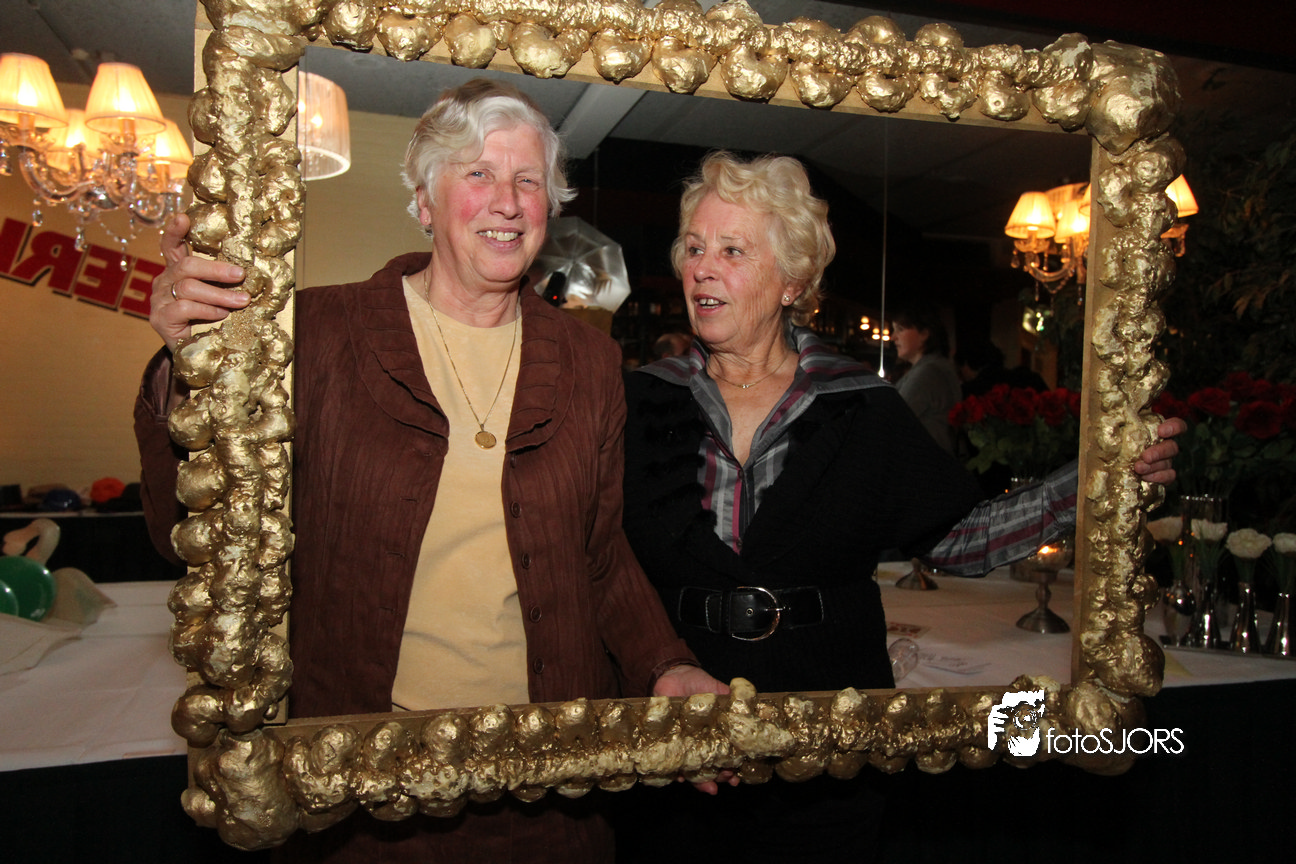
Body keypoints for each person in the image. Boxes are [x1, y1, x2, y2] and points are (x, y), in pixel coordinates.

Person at [135, 79, 725, 864]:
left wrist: (666, 663)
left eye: (528, 181)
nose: (507, 201)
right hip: (359, 785)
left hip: (545, 772)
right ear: (423, 200)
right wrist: (187, 367)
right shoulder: (314, 334)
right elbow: (193, 534)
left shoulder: (589, 360)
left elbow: (601, 552)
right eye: (478, 173)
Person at [616, 151, 1183, 862]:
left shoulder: (858, 404)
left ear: (793, 280)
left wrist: (1092, 480)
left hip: (829, 735)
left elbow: (959, 538)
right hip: (678, 731)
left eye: (732, 250)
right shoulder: (640, 400)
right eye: (694, 248)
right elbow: (599, 560)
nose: (702, 268)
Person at [891, 303, 964, 453]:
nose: (893, 337)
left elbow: (893, 417)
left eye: (900, 329)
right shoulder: (931, 367)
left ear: (924, 333)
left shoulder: (929, 372)